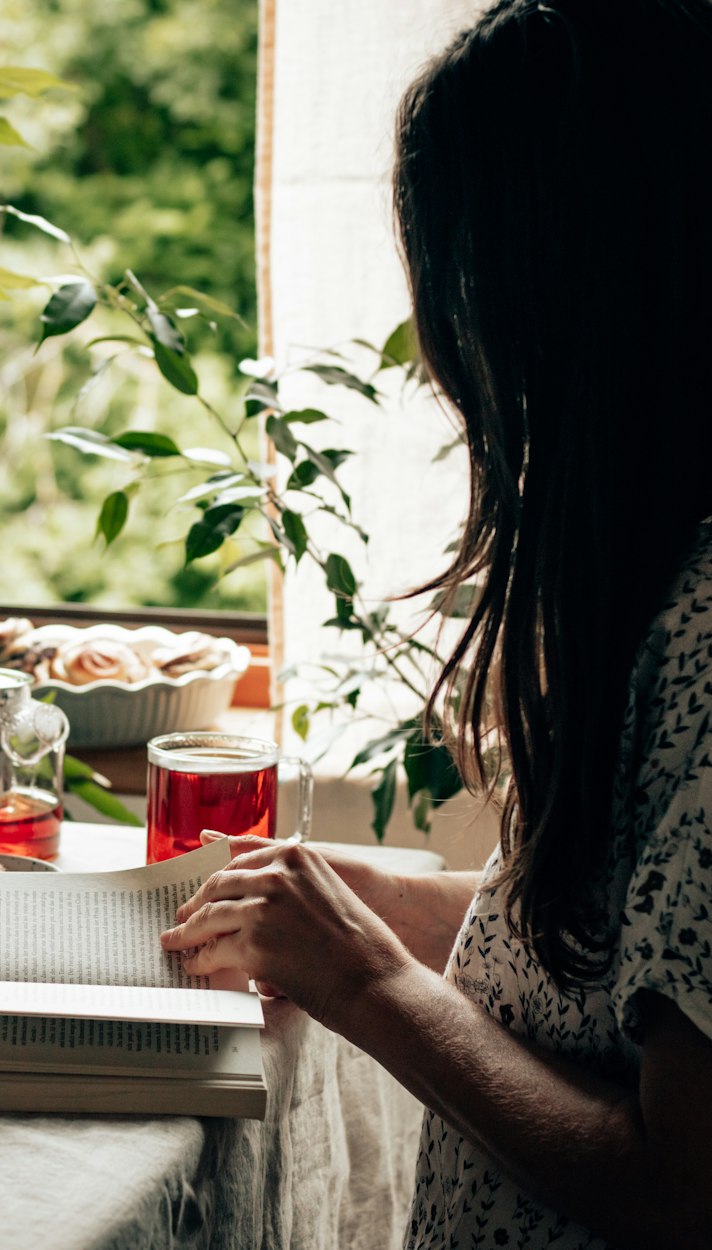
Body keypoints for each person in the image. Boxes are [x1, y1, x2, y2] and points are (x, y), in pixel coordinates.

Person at [160, 2, 712, 1246]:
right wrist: (363, 902)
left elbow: (682, 1193)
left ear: (572, 302)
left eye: (466, 300)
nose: (438, 364)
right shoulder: (665, 582)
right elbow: (621, 975)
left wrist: (364, 976)